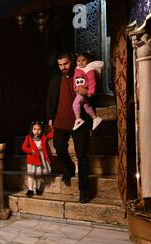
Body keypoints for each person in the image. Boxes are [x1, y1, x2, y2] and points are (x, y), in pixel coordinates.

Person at [46, 52, 92, 203]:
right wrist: (50, 118)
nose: (63, 67)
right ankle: (69, 168)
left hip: (80, 122)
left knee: (82, 155)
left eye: (65, 64)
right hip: (60, 121)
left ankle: (84, 190)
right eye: (60, 65)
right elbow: (51, 99)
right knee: (59, 149)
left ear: (71, 62)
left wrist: (88, 93)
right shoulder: (55, 80)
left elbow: (93, 92)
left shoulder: (82, 74)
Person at [72, 52, 104, 130]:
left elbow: (92, 82)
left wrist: (91, 91)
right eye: (78, 61)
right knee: (86, 105)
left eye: (83, 60)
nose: (81, 62)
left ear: (88, 61)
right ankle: (95, 118)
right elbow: (75, 80)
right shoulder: (77, 69)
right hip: (79, 91)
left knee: (75, 104)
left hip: (84, 91)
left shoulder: (89, 70)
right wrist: (75, 88)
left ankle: (78, 119)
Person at [21, 121, 54, 197]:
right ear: (31, 130)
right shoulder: (28, 137)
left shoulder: (43, 137)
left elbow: (52, 134)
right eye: (34, 129)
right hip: (31, 159)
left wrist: (51, 127)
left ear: (42, 130)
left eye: (39, 129)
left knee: (38, 175)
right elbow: (23, 147)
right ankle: (30, 189)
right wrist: (31, 151)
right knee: (31, 175)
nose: (36, 131)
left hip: (40, 159)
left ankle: (37, 188)